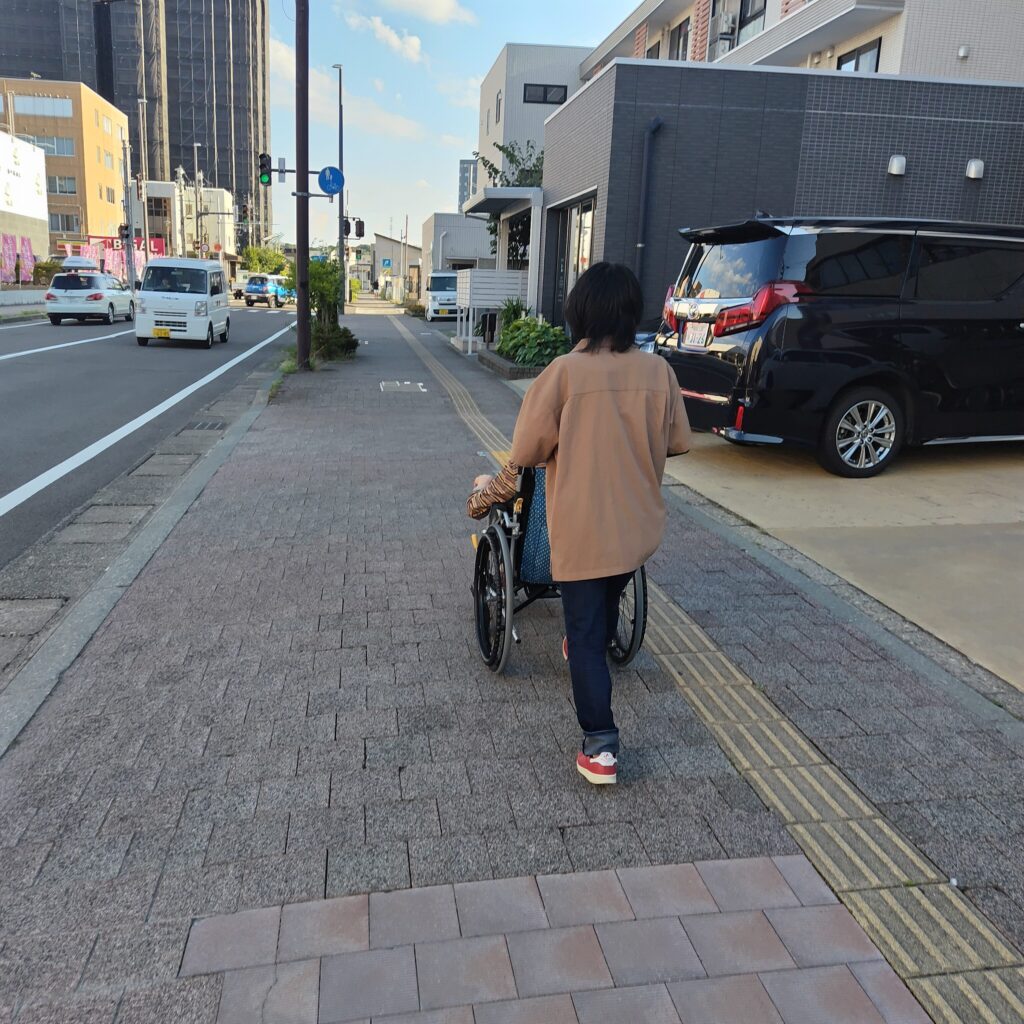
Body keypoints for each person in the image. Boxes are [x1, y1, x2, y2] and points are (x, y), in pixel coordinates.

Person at [468, 263, 691, 785]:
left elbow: (526, 452)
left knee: (586, 636)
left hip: (581, 530)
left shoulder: (563, 374)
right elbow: (678, 442)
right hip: (637, 527)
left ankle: (601, 746)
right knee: (607, 598)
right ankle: (588, 642)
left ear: (580, 313)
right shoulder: (658, 372)